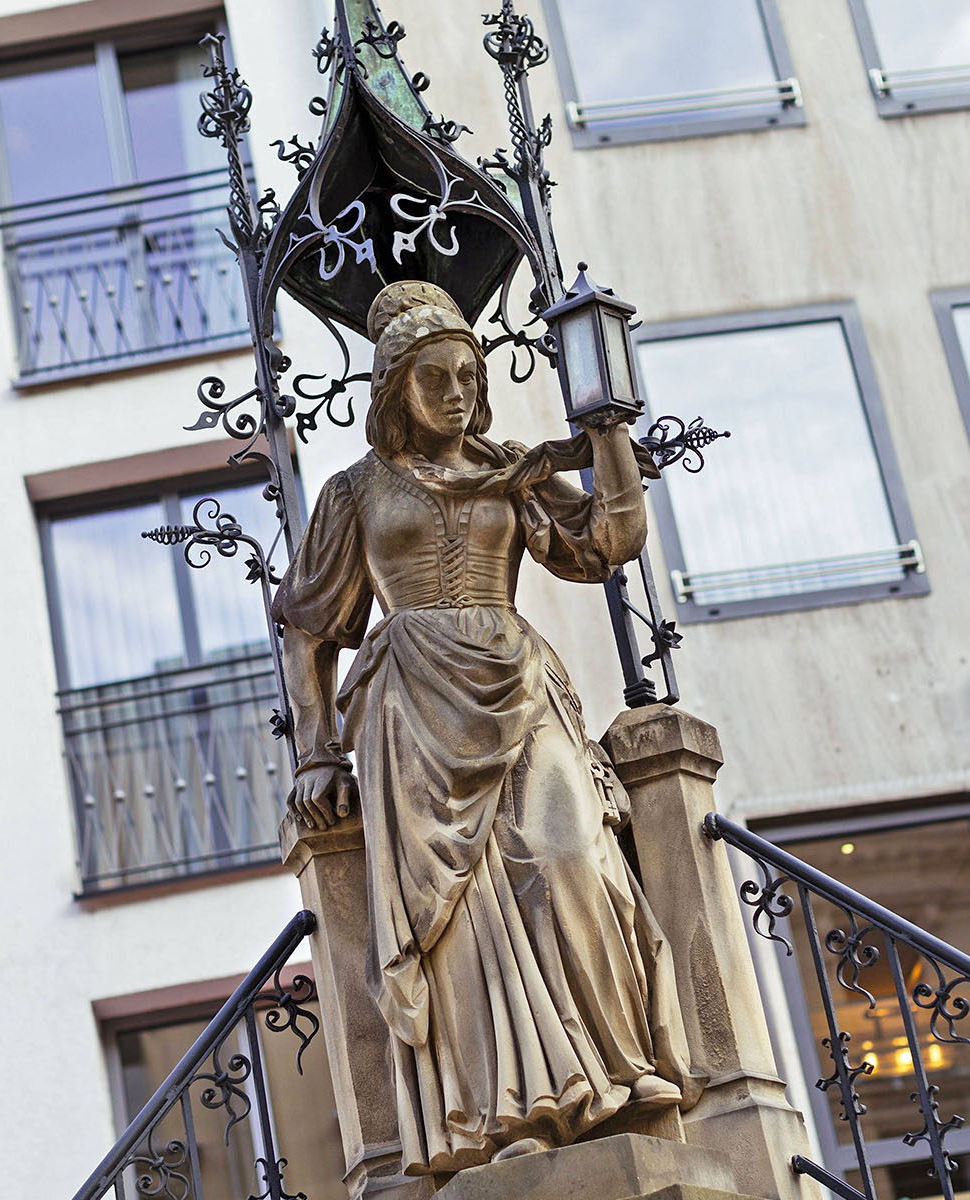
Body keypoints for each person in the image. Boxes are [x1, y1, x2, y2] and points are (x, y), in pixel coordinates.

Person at [273, 280, 696, 1175]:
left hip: (518, 679)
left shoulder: (513, 468)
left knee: (571, 854)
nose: (459, 390)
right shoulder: (355, 492)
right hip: (411, 706)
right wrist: (316, 753)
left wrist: (608, 431)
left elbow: (610, 543)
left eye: (469, 373)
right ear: (395, 387)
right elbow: (307, 626)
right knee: (457, 914)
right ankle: (505, 1104)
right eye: (436, 377)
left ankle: (616, 1068)